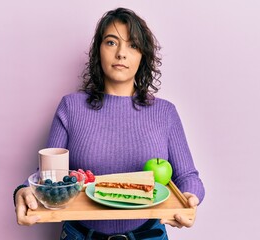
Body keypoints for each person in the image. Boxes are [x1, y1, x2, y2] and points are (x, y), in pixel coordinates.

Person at [14, 7, 205, 240]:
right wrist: (23, 190)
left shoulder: (165, 112)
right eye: (112, 42)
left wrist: (190, 199)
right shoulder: (71, 107)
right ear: (98, 50)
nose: (121, 53)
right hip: (80, 236)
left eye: (133, 45)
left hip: (148, 235)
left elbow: (187, 176)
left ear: (143, 56)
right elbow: (47, 175)